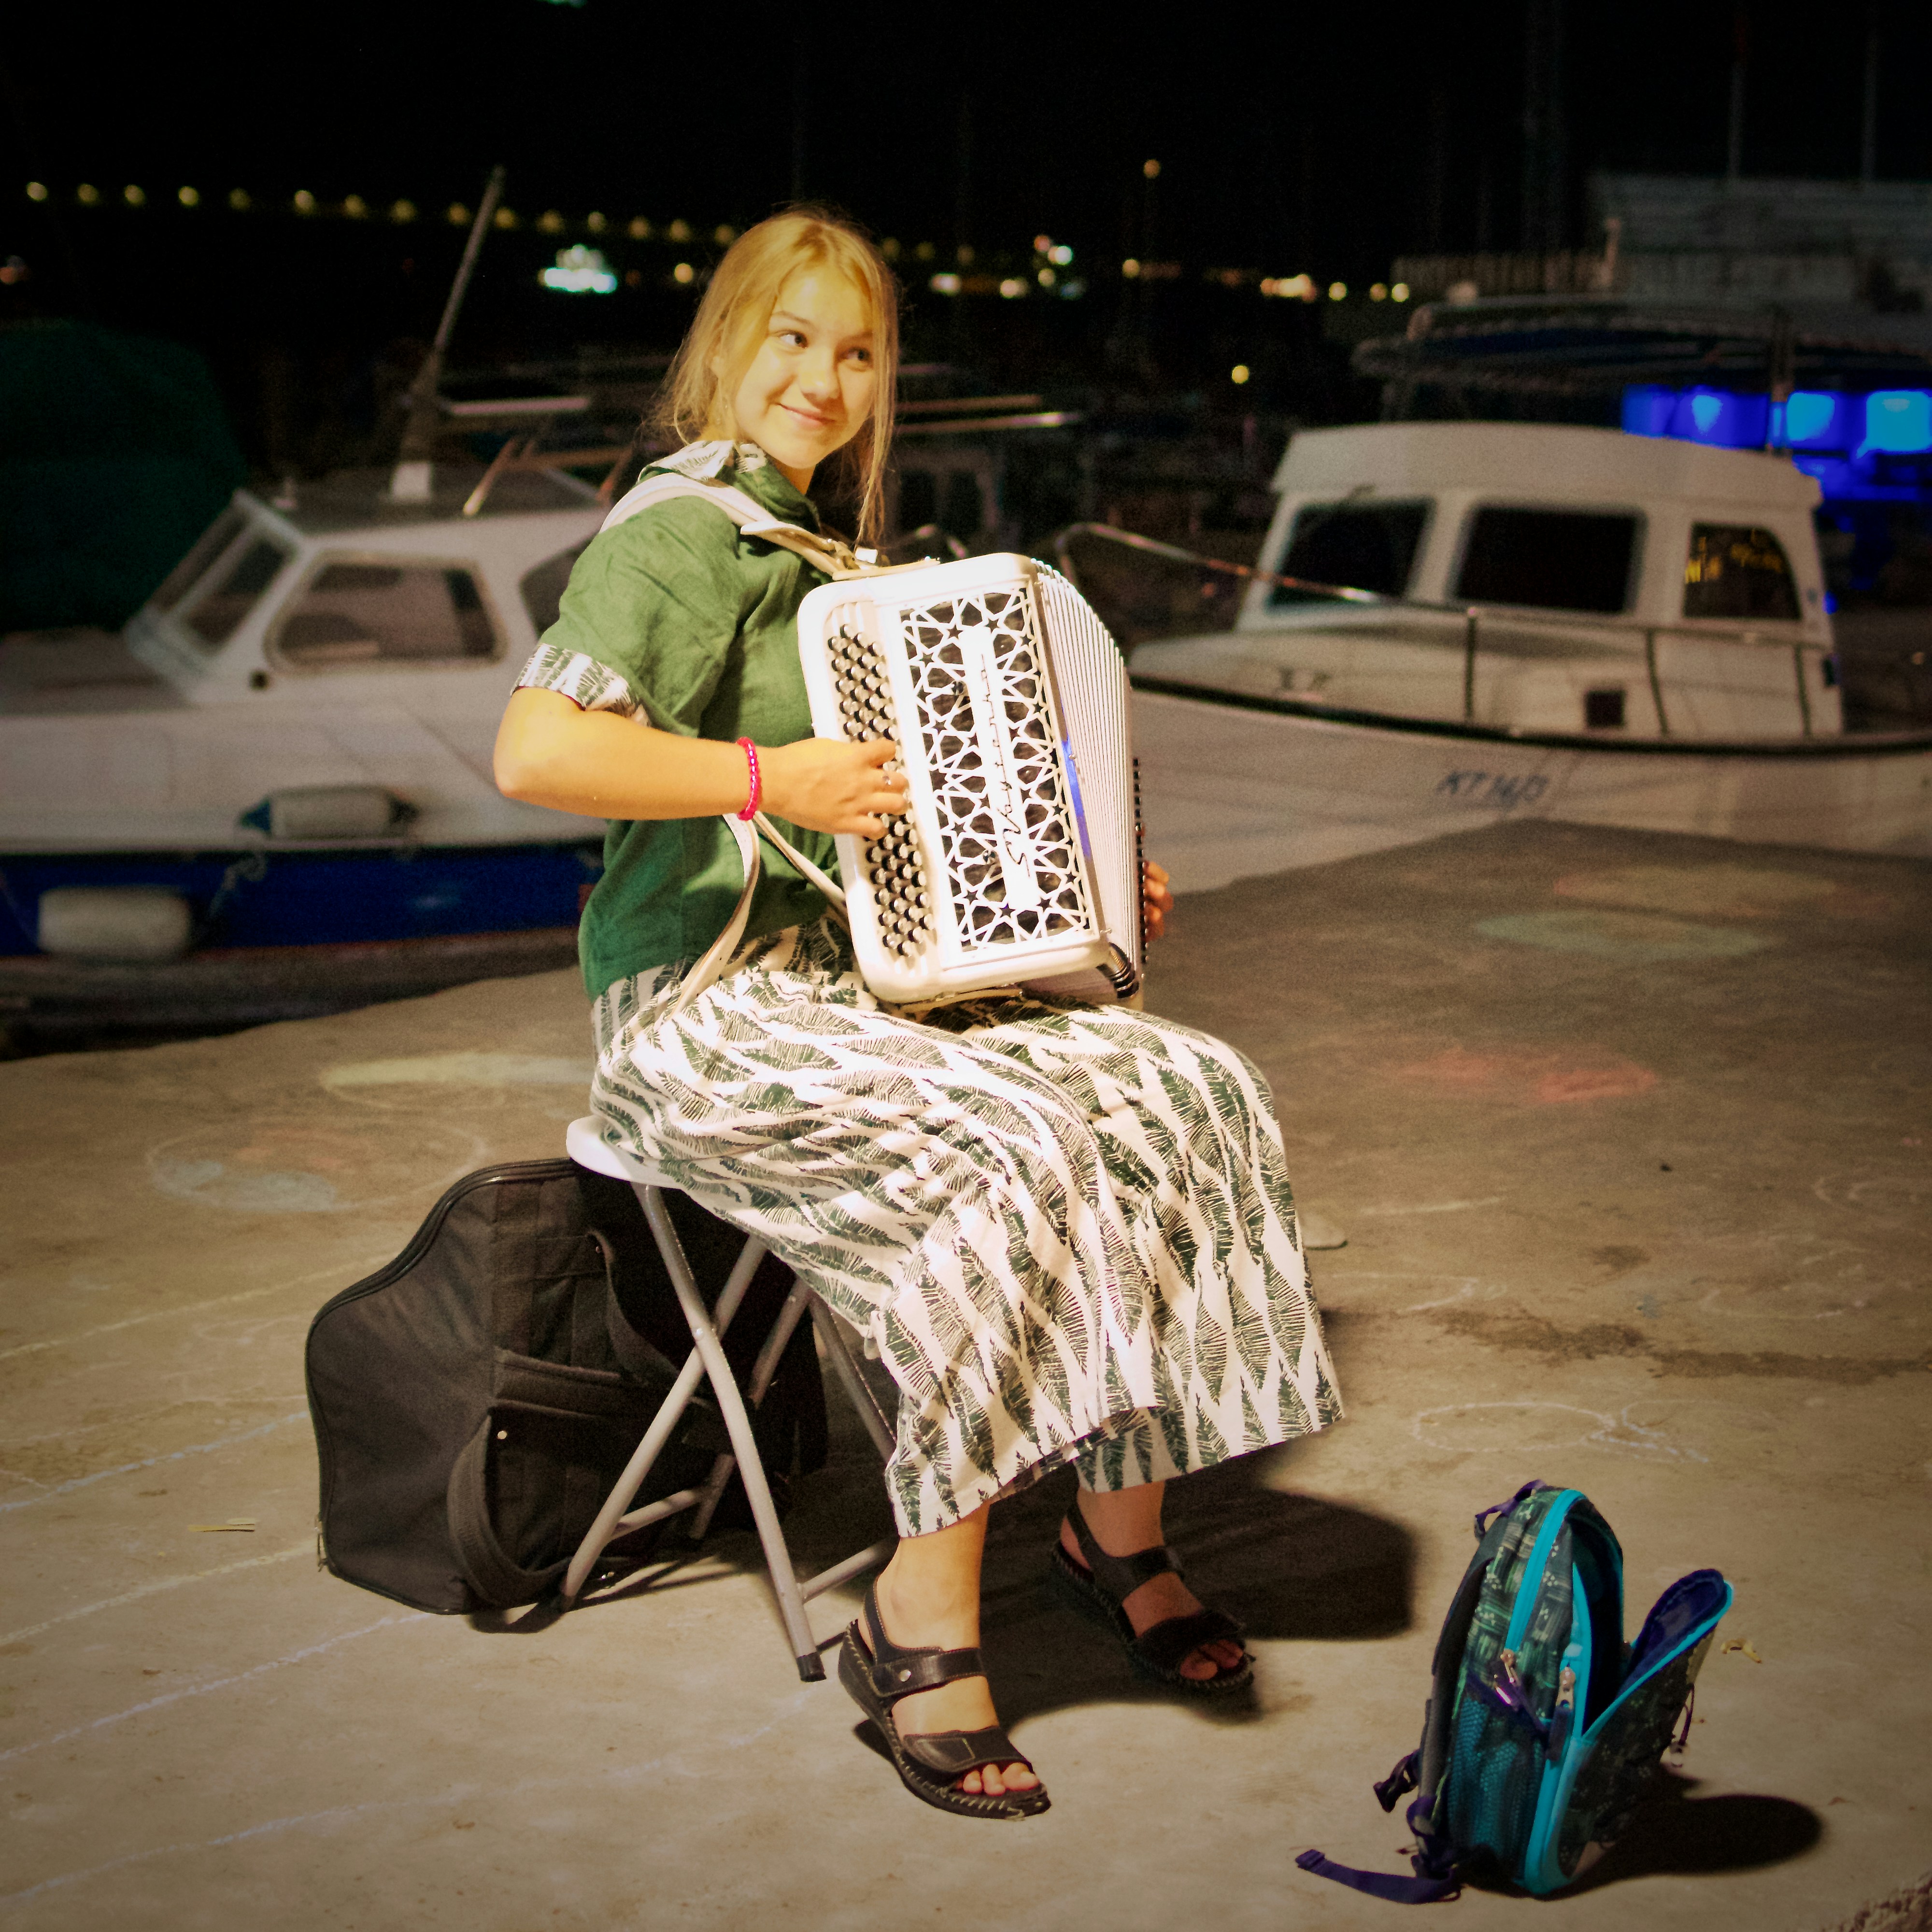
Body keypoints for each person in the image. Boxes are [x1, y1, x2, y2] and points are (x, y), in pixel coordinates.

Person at [494, 208, 1342, 1821]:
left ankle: (1116, 1524)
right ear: (725, 350)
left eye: (858, 350)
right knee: (1014, 1149)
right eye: (792, 340)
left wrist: (1085, 895)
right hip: (696, 1020)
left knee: (1186, 1090)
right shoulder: (679, 539)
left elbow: (909, 830)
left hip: (845, 989)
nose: (823, 378)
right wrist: (771, 779)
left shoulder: (841, 563)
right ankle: (916, 1619)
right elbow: (535, 754)